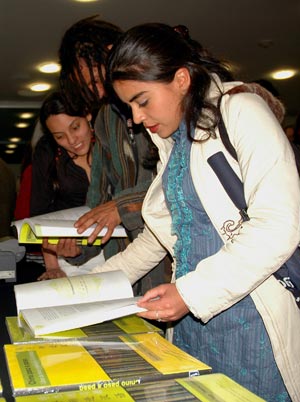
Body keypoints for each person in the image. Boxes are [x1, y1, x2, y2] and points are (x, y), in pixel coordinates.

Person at [90, 23, 300, 401]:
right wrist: (87, 286)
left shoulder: (242, 111)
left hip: (251, 322)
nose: (136, 119)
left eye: (142, 101)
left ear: (182, 79)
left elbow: (278, 226)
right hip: (192, 323)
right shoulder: (171, 144)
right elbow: (161, 238)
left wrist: (189, 293)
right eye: (129, 107)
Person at [56, 16, 169, 294]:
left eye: (96, 79)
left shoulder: (160, 99)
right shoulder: (104, 118)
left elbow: (180, 178)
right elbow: (99, 196)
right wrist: (77, 244)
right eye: (86, 85)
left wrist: (122, 206)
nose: (97, 90)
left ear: (112, 53)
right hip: (126, 268)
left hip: (174, 260)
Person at [30, 91, 101, 280]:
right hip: (68, 256)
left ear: (87, 114)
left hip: (118, 249)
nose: (72, 141)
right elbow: (41, 213)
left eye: (75, 127)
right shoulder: (47, 151)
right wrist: (52, 266)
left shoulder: (108, 141)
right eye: (60, 136)